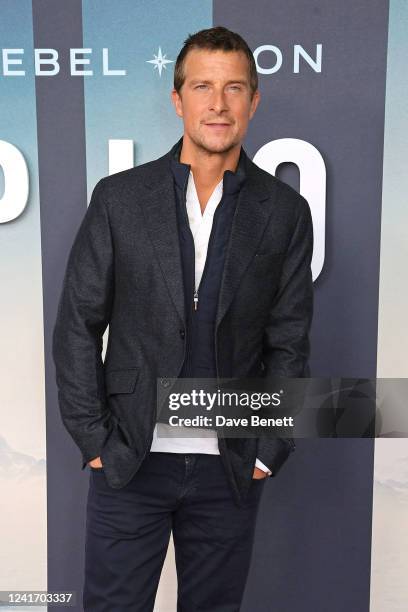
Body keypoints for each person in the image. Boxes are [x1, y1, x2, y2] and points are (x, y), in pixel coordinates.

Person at [52, 25, 313, 612]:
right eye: (202, 87)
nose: (218, 104)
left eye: (234, 88)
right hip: (129, 460)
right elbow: (77, 324)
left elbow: (289, 343)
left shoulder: (286, 213)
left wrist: (271, 448)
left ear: (254, 101)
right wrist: (94, 439)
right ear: (178, 100)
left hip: (230, 466)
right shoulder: (120, 198)